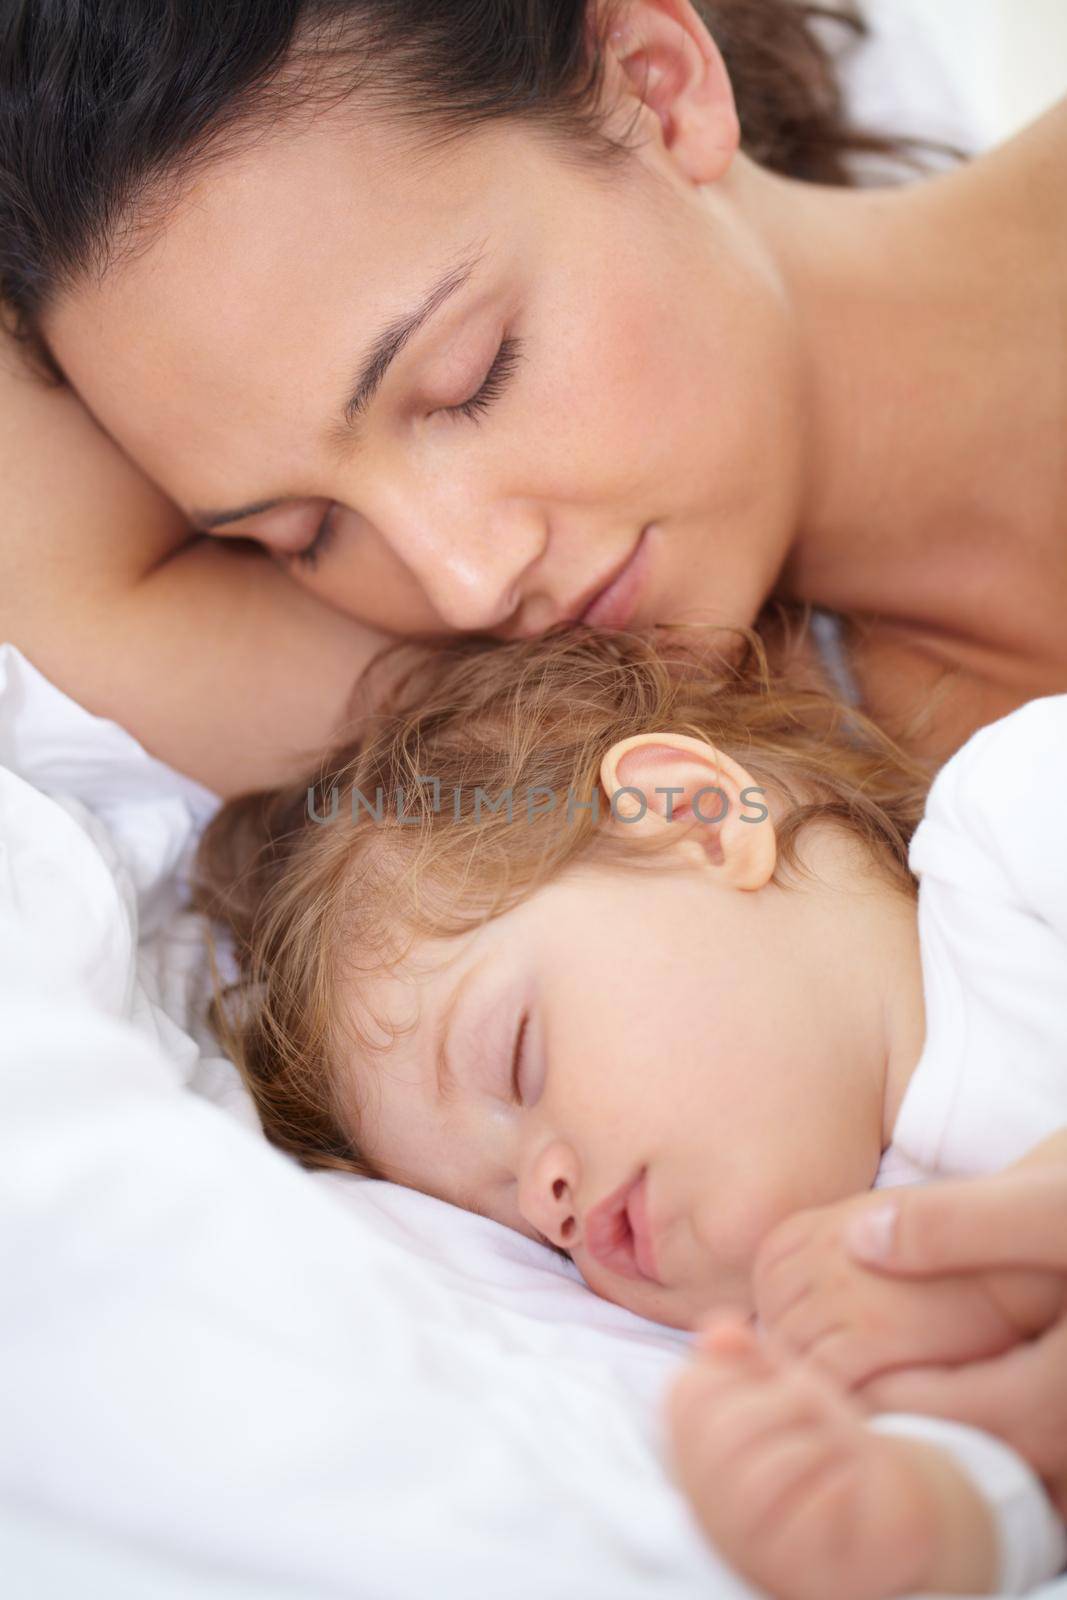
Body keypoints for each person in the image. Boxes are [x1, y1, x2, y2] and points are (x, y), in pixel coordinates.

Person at [191, 616, 1067, 1597]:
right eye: (520, 1222)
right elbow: (1011, 1500)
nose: (545, 1195)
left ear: (695, 817)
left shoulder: (1013, 828)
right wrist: (897, 1510)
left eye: (517, 1061)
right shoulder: (845, 1336)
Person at [1, 1, 1065, 795]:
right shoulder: (682, 745)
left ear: (653, 82)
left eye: (469, 382)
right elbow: (68, 602)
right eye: (305, 533)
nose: (465, 587)